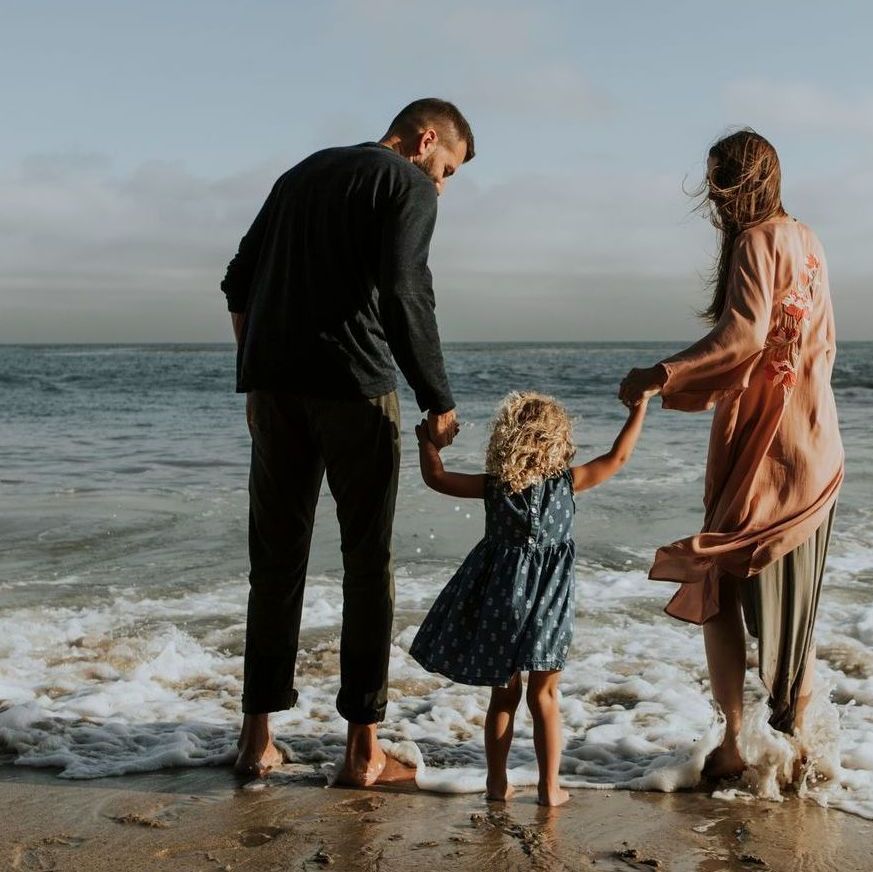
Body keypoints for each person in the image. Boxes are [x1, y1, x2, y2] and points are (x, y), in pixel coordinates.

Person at [219, 98, 475, 785]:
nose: (442, 185)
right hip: (356, 391)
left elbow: (237, 280)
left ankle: (256, 743)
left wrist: (257, 376)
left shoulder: (302, 173)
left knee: (274, 566)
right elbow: (403, 288)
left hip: (274, 392)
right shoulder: (408, 184)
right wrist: (437, 397)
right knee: (367, 566)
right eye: (447, 168)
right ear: (425, 140)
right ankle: (363, 751)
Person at [619, 129, 844, 781]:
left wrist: (661, 374)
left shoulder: (755, 240)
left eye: (717, 191)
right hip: (818, 443)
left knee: (718, 580)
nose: (715, 209)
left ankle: (733, 742)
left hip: (762, 449)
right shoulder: (809, 240)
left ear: (729, 187)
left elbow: (743, 333)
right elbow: (822, 345)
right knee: (792, 605)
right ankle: (797, 750)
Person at [409, 392, 649, 806]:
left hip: (500, 601)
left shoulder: (494, 487)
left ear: (505, 439)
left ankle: (497, 784)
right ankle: (548, 788)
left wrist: (427, 442)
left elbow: (438, 479)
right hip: (549, 606)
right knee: (545, 696)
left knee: (503, 696)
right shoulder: (568, 482)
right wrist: (639, 409)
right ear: (558, 439)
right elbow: (619, 457)